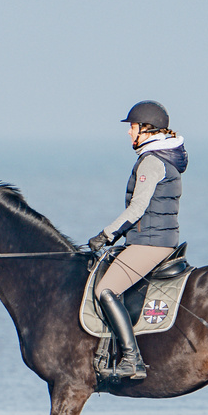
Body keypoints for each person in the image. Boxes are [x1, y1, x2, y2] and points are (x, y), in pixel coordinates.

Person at [87, 100, 188, 379]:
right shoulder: (164, 157)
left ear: (147, 129)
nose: (129, 133)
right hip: (154, 237)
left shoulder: (152, 161)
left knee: (105, 290)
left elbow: (137, 208)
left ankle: (133, 360)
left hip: (151, 242)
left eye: (132, 128)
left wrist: (106, 235)